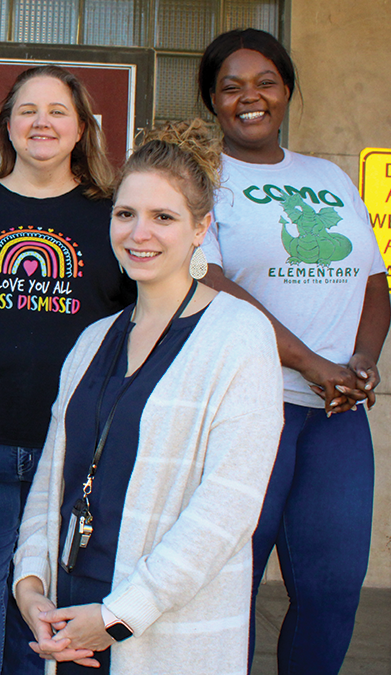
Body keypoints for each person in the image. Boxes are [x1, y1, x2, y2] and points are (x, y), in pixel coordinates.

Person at [12, 121, 283, 674]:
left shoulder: (240, 336)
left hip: (161, 626)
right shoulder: (93, 339)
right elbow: (52, 479)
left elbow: (228, 508)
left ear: (201, 227)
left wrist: (119, 615)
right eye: (126, 214)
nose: (140, 233)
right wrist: (31, 584)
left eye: (164, 217)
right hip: (68, 618)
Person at [196, 28, 390, 674]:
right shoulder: (200, 179)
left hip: (336, 419)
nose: (249, 98)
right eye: (231, 87)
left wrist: (362, 362)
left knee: (332, 592)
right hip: (248, 411)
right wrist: (316, 365)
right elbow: (212, 285)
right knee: (229, 589)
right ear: (213, 102)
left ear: (286, 92)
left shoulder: (327, 176)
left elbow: (372, 279)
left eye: (265, 83)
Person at [0, 65, 132, 675]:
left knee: (48, 610)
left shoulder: (116, 219)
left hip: (73, 452)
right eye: (27, 110)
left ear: (81, 129)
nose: (41, 122)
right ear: (7, 127)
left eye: (57, 111)